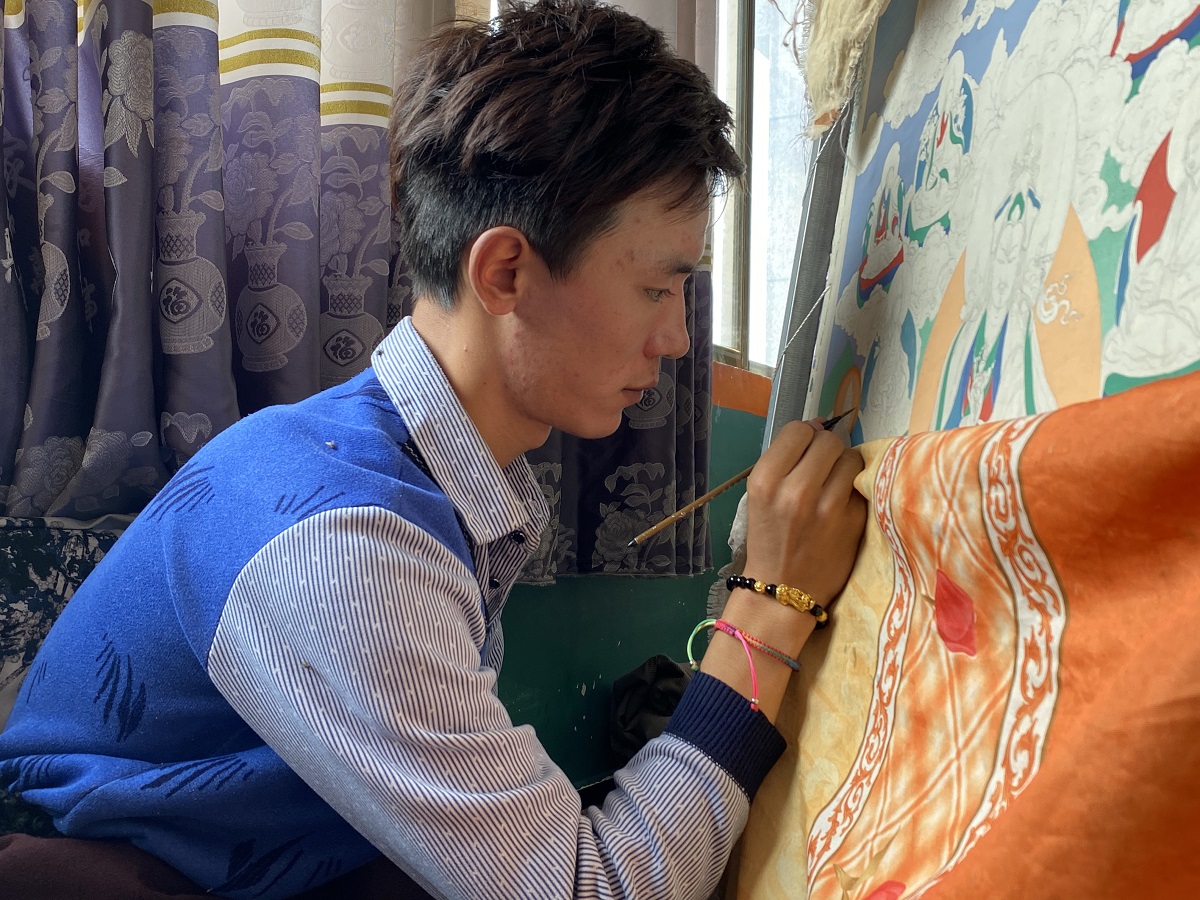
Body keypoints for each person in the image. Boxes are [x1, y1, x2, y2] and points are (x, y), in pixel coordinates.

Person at [0, 2, 867, 898]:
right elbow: (592, 891)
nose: (678, 340)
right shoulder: (344, 541)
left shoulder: (407, 467)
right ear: (504, 272)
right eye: (656, 288)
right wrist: (770, 603)